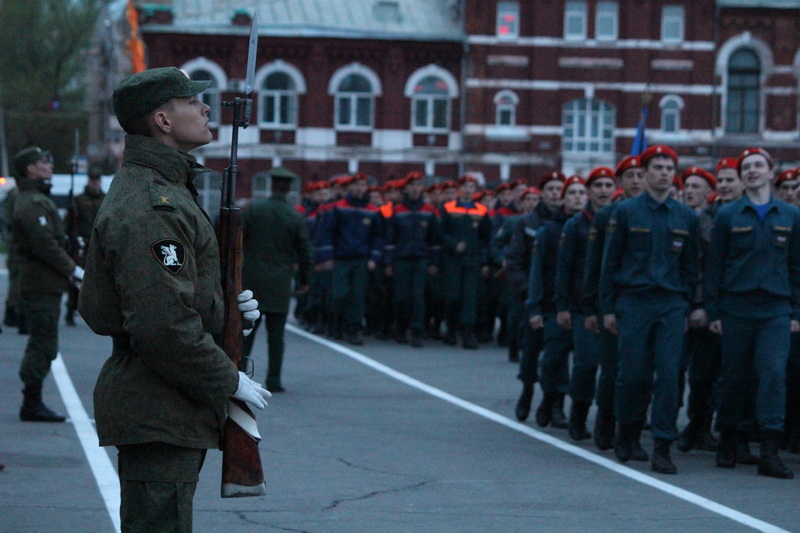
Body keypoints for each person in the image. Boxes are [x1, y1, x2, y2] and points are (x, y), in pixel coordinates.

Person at [78, 67, 271, 531]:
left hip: (168, 400)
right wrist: (227, 379)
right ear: (163, 121)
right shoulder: (152, 202)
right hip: (157, 401)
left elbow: (176, 298)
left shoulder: (168, 191)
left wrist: (227, 314)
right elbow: (160, 323)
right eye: (192, 101)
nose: (206, 108)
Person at [600, 145, 699, 474]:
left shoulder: (686, 216)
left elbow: (691, 266)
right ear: (644, 173)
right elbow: (610, 262)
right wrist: (608, 308)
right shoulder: (626, 211)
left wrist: (687, 306)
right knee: (633, 375)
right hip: (634, 302)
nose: (664, 173)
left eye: (669, 167)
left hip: (671, 304)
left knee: (669, 376)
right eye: (657, 167)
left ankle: (662, 445)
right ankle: (627, 433)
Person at [705, 147, 800, 479]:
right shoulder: (728, 214)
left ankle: (769, 451)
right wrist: (713, 309)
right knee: (735, 378)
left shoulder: (790, 216)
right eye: (747, 167)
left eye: (759, 165)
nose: (752, 171)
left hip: (775, 310)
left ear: (771, 172)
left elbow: (796, 267)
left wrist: (796, 311)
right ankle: (730, 437)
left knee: (773, 374)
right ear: (742, 175)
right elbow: (714, 266)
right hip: (736, 308)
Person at [11, 146, 83, 422]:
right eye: (44, 162)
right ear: (30, 168)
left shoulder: (38, 199)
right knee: (42, 343)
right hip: (40, 285)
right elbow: (46, 246)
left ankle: (33, 400)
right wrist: (74, 270)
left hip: (47, 285)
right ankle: (31, 403)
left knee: (45, 342)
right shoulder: (31, 203)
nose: (49, 165)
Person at [581, 155, 644, 453]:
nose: (635, 181)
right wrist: (594, 308)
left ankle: (630, 429)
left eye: (639, 175)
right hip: (612, 305)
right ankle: (605, 420)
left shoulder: (656, 214)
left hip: (644, 306)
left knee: (640, 372)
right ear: (621, 182)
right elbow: (595, 267)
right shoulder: (609, 216)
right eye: (629, 176)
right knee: (611, 370)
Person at [555, 167, 616, 441]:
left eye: (608, 185)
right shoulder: (576, 224)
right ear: (590, 191)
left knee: (612, 368)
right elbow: (564, 268)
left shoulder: (619, 219)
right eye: (598, 186)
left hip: (612, 305)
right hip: (583, 306)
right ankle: (578, 414)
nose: (603, 190)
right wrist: (562, 305)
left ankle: (606, 418)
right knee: (587, 364)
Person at [242, 166, 312, 393]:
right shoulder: (294, 216)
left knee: (246, 331)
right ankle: (274, 379)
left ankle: (240, 373)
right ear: (289, 189)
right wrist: (304, 280)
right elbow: (305, 252)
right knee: (276, 334)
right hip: (280, 280)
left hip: (251, 277)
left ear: (272, 186)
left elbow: (236, 237)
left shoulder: (253, 209)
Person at [527, 176, 587, 430]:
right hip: (554, 304)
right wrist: (535, 307)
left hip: (582, 305)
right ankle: (551, 400)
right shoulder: (549, 230)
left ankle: (568, 409)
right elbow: (538, 271)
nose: (577, 197)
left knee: (583, 362)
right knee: (554, 359)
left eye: (581, 192)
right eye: (571, 193)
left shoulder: (592, 227)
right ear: (563, 198)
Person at [316, 172, 384, 345]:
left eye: (362, 185)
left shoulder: (372, 210)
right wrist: (328, 256)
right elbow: (328, 232)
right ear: (349, 187)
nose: (359, 188)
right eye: (356, 185)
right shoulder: (338, 207)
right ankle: (336, 324)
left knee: (357, 296)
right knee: (340, 293)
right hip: (341, 258)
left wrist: (373, 258)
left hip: (361, 259)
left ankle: (353, 329)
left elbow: (377, 236)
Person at [383, 172, 441, 347]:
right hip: (402, 259)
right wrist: (388, 262)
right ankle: (401, 328)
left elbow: (435, 239)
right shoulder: (397, 211)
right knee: (401, 297)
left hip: (421, 259)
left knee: (418, 297)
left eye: (418, 185)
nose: (415, 189)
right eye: (412, 186)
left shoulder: (429, 211)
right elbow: (390, 239)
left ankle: (416, 331)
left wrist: (434, 262)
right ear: (406, 189)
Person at [439, 175, 492, 349]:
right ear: (460, 189)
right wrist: (453, 245)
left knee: (470, 297)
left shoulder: (481, 210)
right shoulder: (448, 208)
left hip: (473, 259)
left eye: (472, 187)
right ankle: (451, 330)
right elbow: (440, 233)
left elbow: (486, 238)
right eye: (466, 186)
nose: (469, 190)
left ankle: (467, 332)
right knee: (453, 295)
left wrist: (484, 262)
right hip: (453, 259)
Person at [64, 170, 106, 326]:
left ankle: (98, 311)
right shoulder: (79, 200)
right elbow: (69, 222)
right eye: (92, 180)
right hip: (82, 244)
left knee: (100, 280)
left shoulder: (105, 198)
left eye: (97, 180)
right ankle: (71, 307)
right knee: (77, 278)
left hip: (99, 244)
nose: (94, 183)